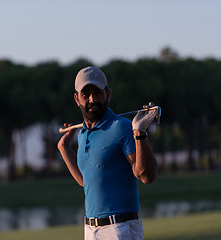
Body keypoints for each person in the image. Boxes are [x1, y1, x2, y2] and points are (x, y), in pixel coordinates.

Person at [57, 66, 158, 240]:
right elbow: (86, 181)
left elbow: (146, 176)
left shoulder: (122, 127)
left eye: (97, 93)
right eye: (85, 94)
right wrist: (65, 149)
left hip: (120, 228)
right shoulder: (82, 134)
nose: (92, 99)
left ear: (108, 94)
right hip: (91, 229)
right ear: (76, 99)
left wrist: (139, 133)